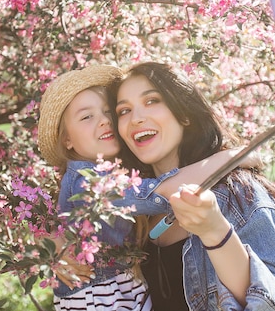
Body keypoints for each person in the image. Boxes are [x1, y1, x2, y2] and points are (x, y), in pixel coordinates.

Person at [37, 64, 263, 311]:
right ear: (67, 139)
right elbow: (161, 192)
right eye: (86, 116)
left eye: (108, 112)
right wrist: (230, 158)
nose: (104, 121)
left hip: (122, 291)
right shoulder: (87, 180)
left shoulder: (122, 173)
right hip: (102, 296)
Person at [111, 62, 275, 311]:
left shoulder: (239, 195)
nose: (136, 118)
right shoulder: (133, 210)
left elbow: (273, 305)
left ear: (184, 113)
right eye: (124, 111)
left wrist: (215, 231)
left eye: (152, 100)